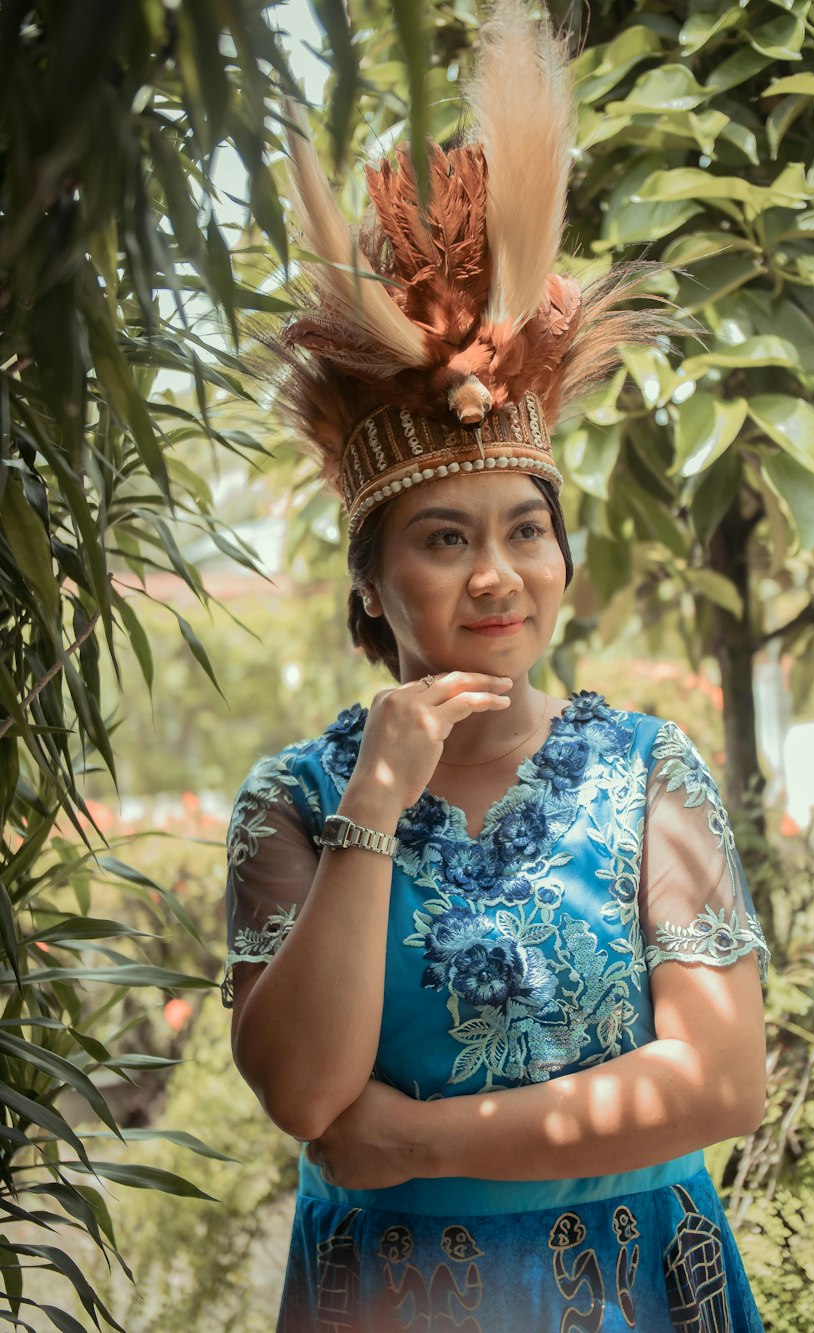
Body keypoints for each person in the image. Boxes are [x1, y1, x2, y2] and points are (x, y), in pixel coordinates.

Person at [223, 6, 770, 1329]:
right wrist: (375, 807)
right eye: (445, 538)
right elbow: (304, 1095)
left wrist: (421, 1139)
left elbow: (717, 1082)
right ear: (369, 584)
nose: (496, 574)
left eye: (528, 530)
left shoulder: (648, 771)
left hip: (641, 1287)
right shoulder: (290, 802)